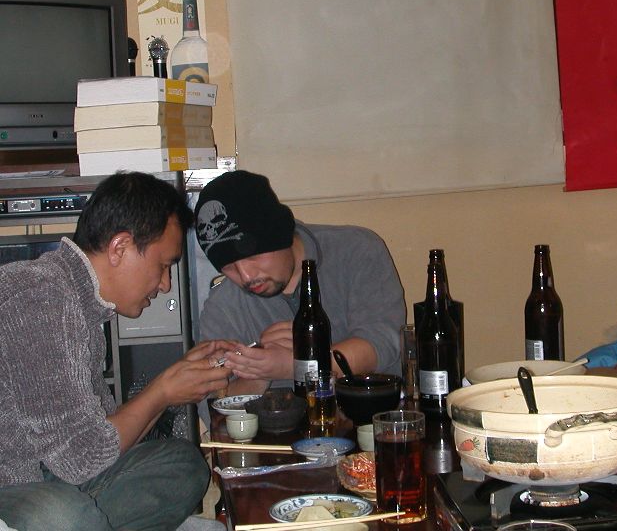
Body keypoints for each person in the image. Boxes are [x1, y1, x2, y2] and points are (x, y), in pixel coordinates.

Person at [0, 172, 235, 531]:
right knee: (64, 516)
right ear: (120, 248)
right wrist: (162, 392)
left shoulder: (81, 302)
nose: (165, 284)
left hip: (53, 475)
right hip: (12, 483)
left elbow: (105, 443)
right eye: (163, 265)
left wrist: (173, 381)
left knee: (184, 465)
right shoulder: (41, 296)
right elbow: (81, 459)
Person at [195, 170, 405, 398]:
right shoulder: (223, 306)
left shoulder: (356, 251)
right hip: (276, 422)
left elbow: (382, 343)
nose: (246, 276)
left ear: (282, 234)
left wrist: (295, 365)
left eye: (253, 256)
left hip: (371, 412)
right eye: (229, 267)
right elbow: (214, 400)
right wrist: (258, 371)